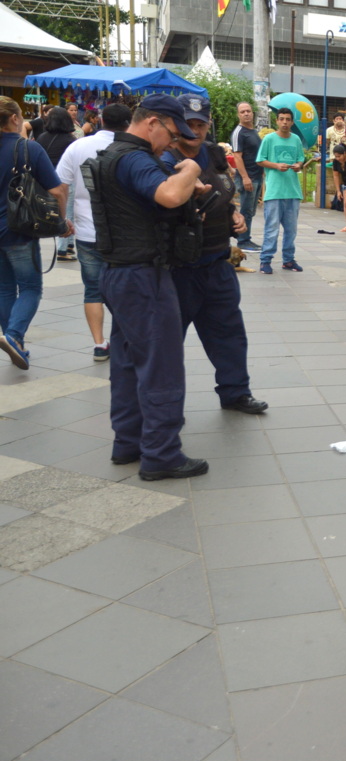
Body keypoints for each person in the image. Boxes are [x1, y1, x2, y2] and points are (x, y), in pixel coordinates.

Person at [87, 93, 209, 480]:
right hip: (144, 276)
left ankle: (129, 442)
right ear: (152, 122)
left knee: (125, 362)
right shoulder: (136, 157)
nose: (173, 144)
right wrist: (189, 171)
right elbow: (169, 195)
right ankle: (161, 454)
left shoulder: (111, 153)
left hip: (117, 272)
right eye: (172, 134)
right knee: (161, 366)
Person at [163, 94, 268, 416]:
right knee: (167, 344)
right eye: (188, 125)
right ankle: (164, 408)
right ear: (176, 125)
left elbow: (226, 192)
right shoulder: (165, 159)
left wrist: (234, 214)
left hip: (218, 263)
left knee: (229, 334)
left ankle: (235, 392)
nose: (194, 132)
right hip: (179, 270)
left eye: (201, 125)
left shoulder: (213, 154)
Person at [56, 103, 132, 362]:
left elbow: (60, 185)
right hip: (123, 233)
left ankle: (100, 343)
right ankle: (129, 337)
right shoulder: (132, 148)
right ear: (129, 122)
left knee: (92, 289)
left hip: (87, 231)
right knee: (124, 287)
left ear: (100, 120)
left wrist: (63, 220)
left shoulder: (77, 146)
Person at [0, 96, 70, 370]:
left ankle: (14, 341)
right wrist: (62, 222)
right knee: (30, 287)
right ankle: (14, 337)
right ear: (15, 119)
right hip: (18, 230)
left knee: (4, 289)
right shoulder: (28, 148)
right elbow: (57, 190)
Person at [256, 107, 305, 275]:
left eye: (288, 119)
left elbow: (300, 158)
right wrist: (276, 165)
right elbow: (260, 160)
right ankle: (265, 260)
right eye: (282, 119)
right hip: (274, 192)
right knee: (272, 229)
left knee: (291, 230)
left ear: (292, 122)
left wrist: (299, 164)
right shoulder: (269, 139)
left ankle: (288, 260)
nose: (285, 122)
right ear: (277, 121)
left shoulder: (296, 139)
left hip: (293, 191)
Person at [35, 107, 78, 261]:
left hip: (44, 181)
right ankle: (62, 248)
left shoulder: (41, 137)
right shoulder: (70, 140)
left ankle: (69, 244)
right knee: (67, 212)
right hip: (64, 181)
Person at [230, 102, 264, 252]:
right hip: (247, 177)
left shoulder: (253, 131)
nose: (246, 114)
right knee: (246, 211)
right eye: (242, 111)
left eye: (248, 111)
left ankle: (245, 237)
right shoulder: (239, 132)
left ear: (252, 113)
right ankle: (243, 241)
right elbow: (237, 157)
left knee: (251, 211)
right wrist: (245, 178)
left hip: (257, 176)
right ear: (238, 114)